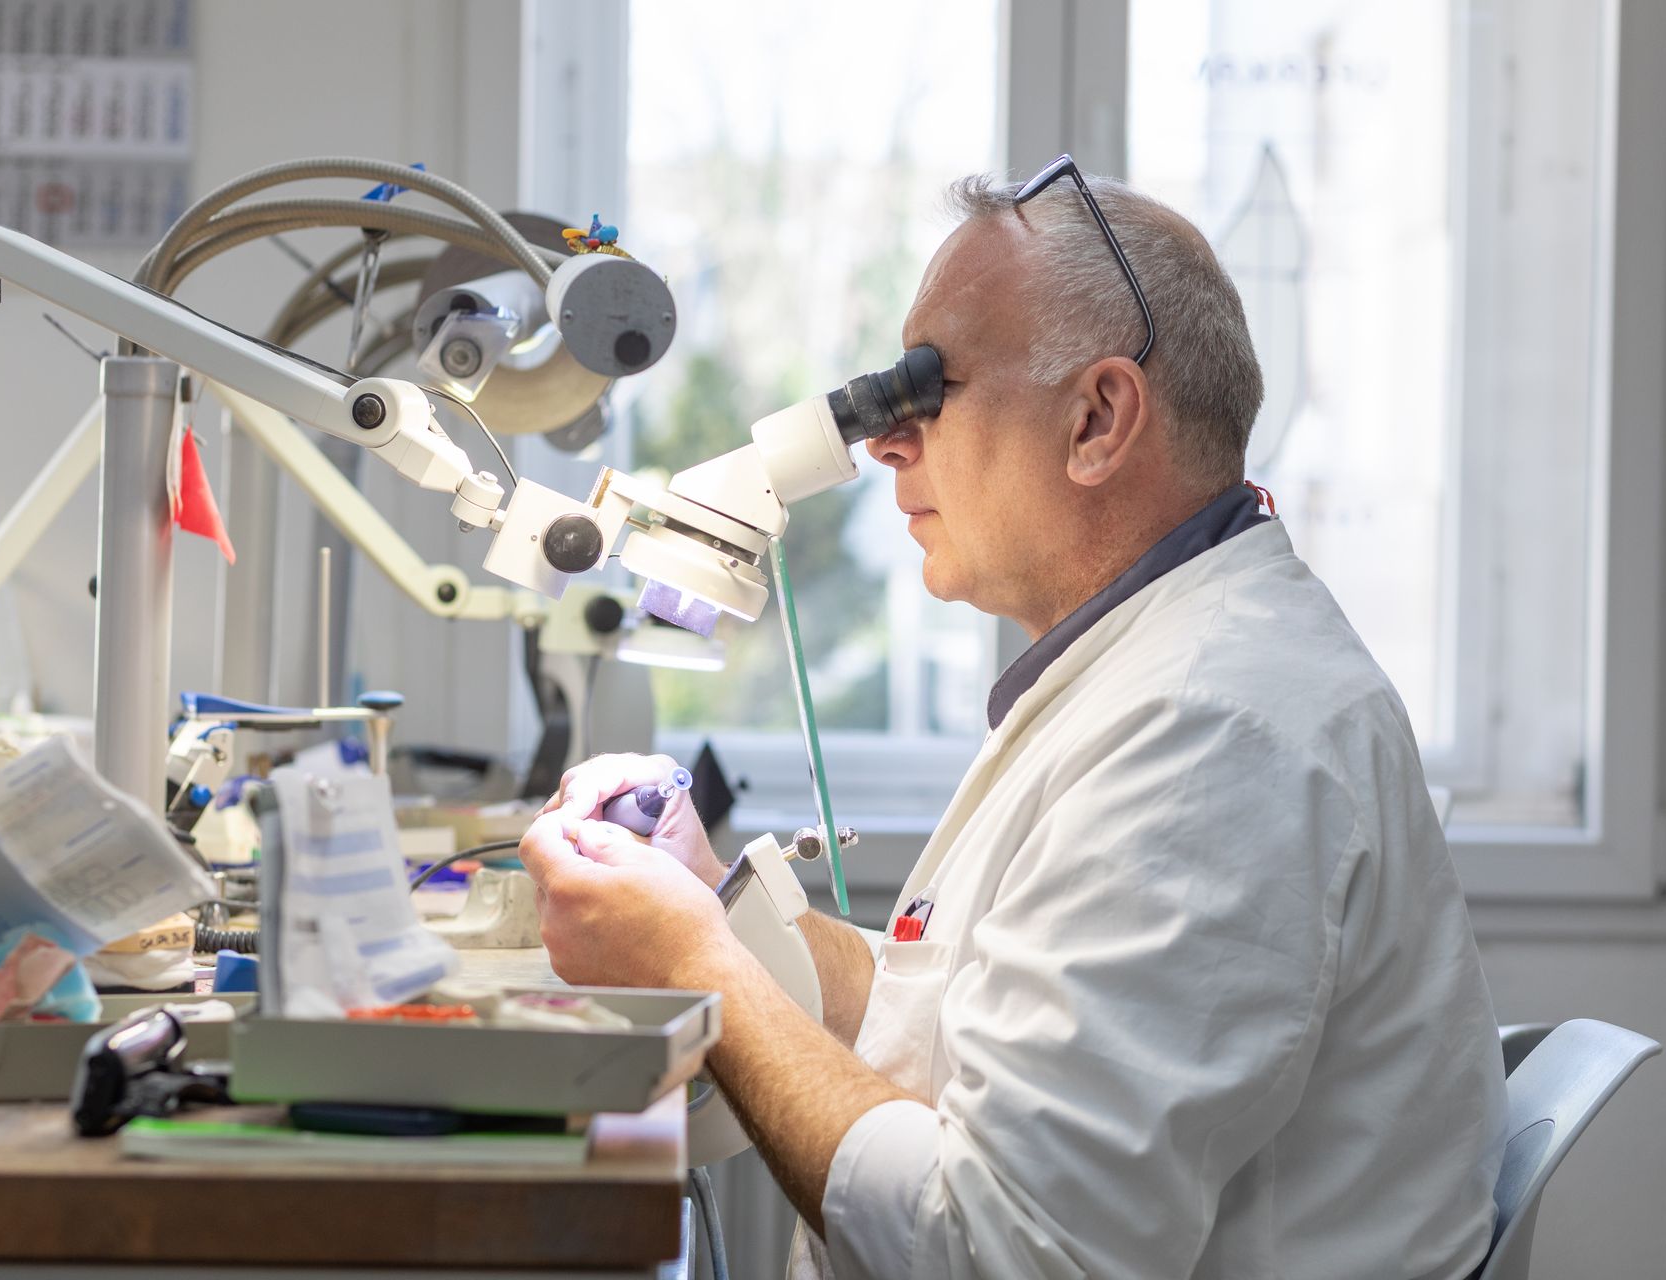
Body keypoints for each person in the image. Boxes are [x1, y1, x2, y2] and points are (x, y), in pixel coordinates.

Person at [518, 164, 1505, 1279]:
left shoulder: (1215, 735)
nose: (886, 443)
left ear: (1096, 418)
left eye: (925, 389)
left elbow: (999, 1252)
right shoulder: (1151, 665)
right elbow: (949, 1013)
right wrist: (712, 914)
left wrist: (695, 958)